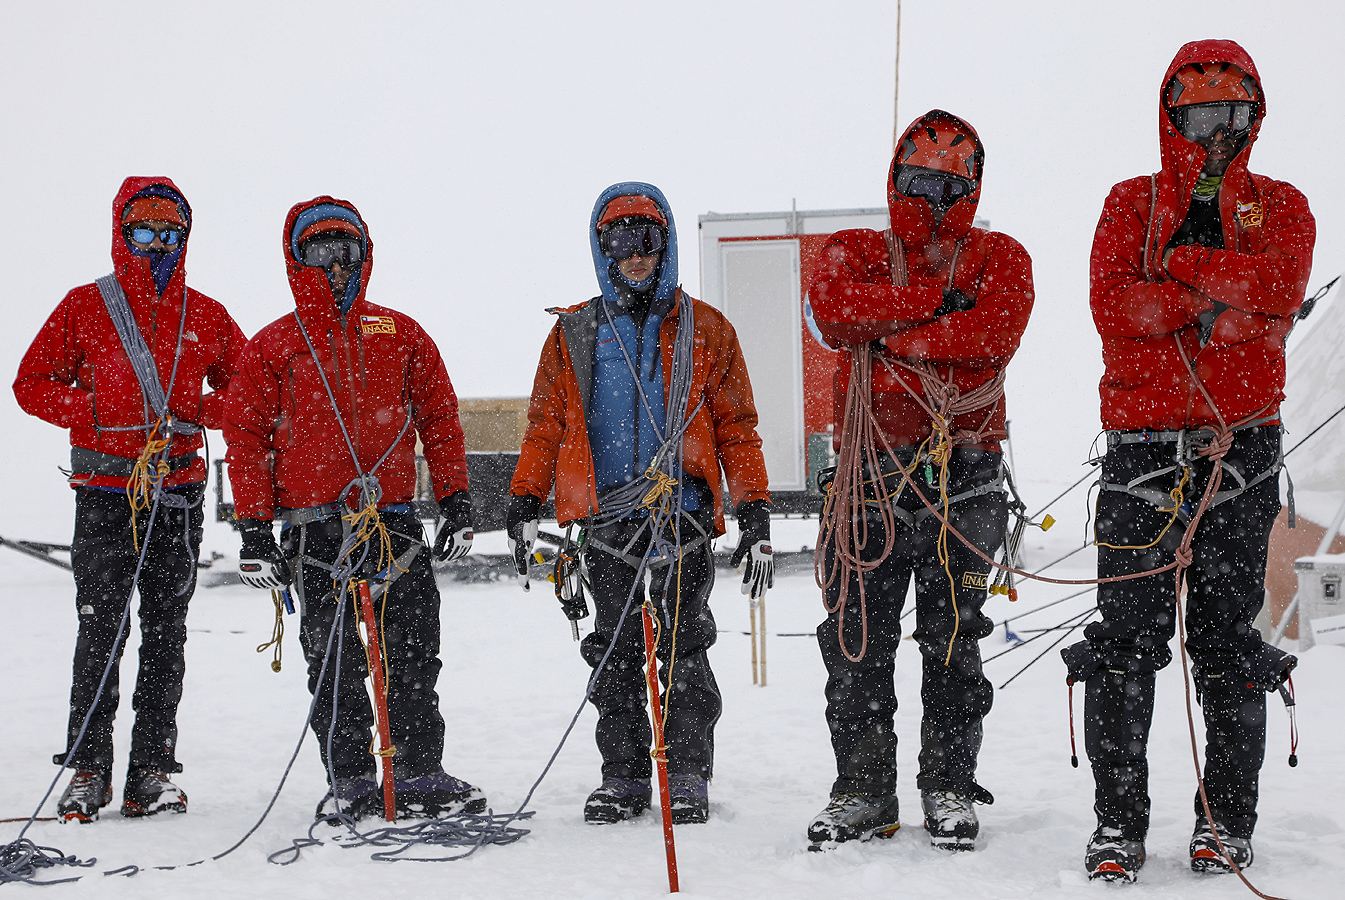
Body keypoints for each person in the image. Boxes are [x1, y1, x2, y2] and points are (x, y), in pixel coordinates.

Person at [1063, 40, 1313, 883]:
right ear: (1171, 117)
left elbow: (1278, 288)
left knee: (1230, 646)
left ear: (1251, 116)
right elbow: (1111, 306)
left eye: (1228, 115)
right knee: (1124, 646)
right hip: (1142, 451)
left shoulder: (1283, 206)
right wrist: (1221, 301)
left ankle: (1225, 823)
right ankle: (1116, 826)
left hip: (1239, 449)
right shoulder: (1128, 201)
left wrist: (1176, 270)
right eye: (1196, 116)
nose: (1212, 132)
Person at [508, 182, 773, 825]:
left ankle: (684, 775)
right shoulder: (573, 334)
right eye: (620, 241)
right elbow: (547, 423)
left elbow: (737, 427)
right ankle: (622, 777)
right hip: (605, 520)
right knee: (615, 649)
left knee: (685, 646)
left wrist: (755, 510)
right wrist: (523, 499)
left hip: (679, 514)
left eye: (647, 240)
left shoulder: (707, 329)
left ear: (666, 245)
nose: (635, 254)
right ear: (603, 249)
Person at [806, 111, 1034, 851]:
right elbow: (834, 313)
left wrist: (890, 333)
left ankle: (945, 784)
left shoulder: (1002, 257)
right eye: (917, 183)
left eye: (948, 185)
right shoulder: (852, 250)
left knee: (952, 640)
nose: (932, 200)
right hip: (869, 474)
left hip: (963, 471)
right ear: (895, 180)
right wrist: (937, 307)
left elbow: (994, 332)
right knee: (855, 641)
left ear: (970, 187)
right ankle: (864, 791)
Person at [224, 196, 481, 821]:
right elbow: (246, 439)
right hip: (315, 530)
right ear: (298, 259)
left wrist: (454, 497)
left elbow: (440, 417)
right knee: (332, 658)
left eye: (348, 252)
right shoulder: (273, 347)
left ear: (365, 258)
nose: (336, 267)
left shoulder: (399, 332)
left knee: (413, 653)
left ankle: (420, 771)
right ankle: (352, 781)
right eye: (321, 253)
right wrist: (255, 529)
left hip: (393, 522)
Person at [14, 177, 246, 822]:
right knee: (102, 629)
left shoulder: (205, 313)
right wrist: (92, 409)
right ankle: (88, 769)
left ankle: (150, 770)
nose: (157, 245)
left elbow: (250, 393)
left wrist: (200, 409)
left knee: (166, 631)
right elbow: (29, 383)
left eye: (170, 233)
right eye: (144, 231)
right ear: (122, 233)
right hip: (106, 494)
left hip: (177, 494)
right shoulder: (84, 307)